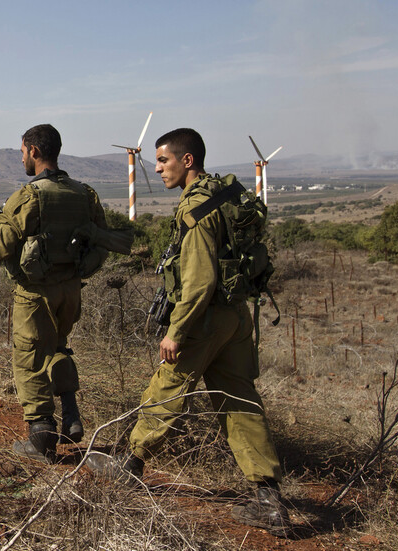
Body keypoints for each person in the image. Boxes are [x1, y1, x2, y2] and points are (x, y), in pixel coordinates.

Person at [110, 128, 289, 536]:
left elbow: (199, 280)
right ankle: (268, 498)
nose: (156, 169)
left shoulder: (196, 207)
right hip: (235, 316)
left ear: (186, 161)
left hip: (205, 318)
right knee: (240, 400)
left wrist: (176, 331)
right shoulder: (224, 195)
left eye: (163, 161)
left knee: (168, 386)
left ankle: (130, 463)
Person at [0, 124, 117, 462]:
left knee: (30, 359)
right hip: (71, 291)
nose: (22, 158)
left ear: (34, 151)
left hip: (35, 294)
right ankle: (70, 413)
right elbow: (104, 240)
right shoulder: (84, 193)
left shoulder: (29, 196)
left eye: (22, 152)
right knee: (57, 347)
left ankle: (41, 436)